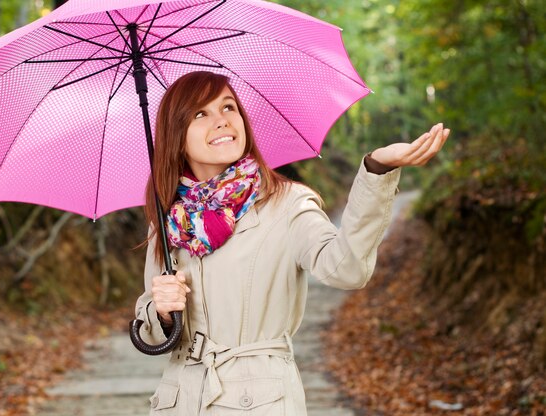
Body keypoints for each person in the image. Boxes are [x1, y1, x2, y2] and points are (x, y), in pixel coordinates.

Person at [134, 71, 450, 415]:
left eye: (228, 107)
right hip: (179, 400)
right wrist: (162, 312)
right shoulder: (169, 220)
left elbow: (346, 269)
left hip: (258, 399)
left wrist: (377, 169)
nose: (222, 121)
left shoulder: (287, 204)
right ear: (177, 135)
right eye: (201, 114)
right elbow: (152, 337)